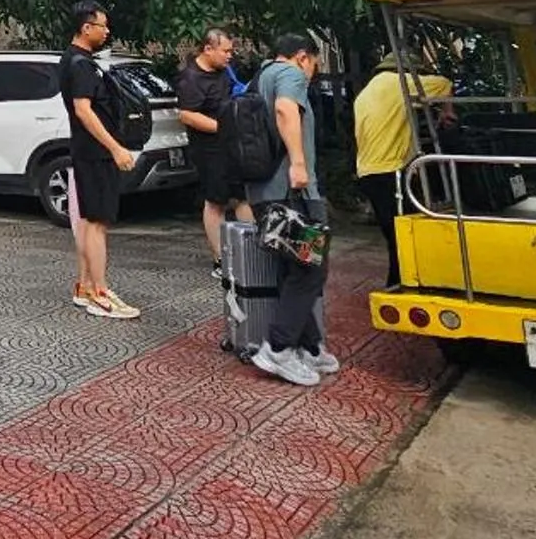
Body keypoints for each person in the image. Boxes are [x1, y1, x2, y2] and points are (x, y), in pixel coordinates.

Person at [249, 33, 334, 384]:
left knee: (294, 270)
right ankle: (279, 349)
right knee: (312, 270)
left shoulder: (259, 77)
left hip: (264, 192)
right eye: (315, 64)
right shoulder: (290, 75)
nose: (312, 73)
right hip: (292, 190)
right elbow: (286, 109)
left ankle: (310, 347)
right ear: (302, 57)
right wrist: (299, 164)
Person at [59, 0, 140, 319]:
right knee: (96, 223)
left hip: (89, 152)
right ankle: (99, 292)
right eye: (103, 26)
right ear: (86, 28)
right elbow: (83, 110)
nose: (107, 32)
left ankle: (84, 286)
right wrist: (115, 148)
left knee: (90, 221)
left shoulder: (77, 60)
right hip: (94, 153)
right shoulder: (79, 64)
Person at [352, 54, 454, 290]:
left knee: (393, 233)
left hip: (368, 170)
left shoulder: (368, 91)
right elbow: (444, 83)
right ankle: (402, 285)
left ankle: (400, 282)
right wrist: (446, 112)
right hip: (390, 171)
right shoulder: (401, 83)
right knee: (403, 234)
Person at [177, 28, 250, 269]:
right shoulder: (191, 78)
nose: (230, 56)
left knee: (242, 196)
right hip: (209, 150)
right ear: (208, 49)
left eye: (231, 51)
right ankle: (221, 259)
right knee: (215, 200)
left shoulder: (224, 72)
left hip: (232, 146)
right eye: (225, 51)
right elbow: (187, 115)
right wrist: (222, 128)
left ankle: (252, 252)